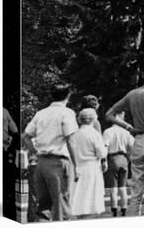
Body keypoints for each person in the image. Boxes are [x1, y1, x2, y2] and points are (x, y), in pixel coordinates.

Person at [105, 62, 144, 216]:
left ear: (142, 75)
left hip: (138, 140)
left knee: (136, 191)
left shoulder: (132, 94)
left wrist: (129, 127)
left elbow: (109, 115)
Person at [22, 84, 79, 221]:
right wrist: (76, 165)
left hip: (41, 163)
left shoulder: (40, 113)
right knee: (61, 205)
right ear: (68, 95)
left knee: (43, 208)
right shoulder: (67, 113)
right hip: (58, 163)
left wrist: (35, 152)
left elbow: (25, 136)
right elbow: (70, 140)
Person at [70, 108, 107, 218]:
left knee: (78, 196)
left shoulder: (74, 134)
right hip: (91, 167)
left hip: (76, 167)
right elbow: (101, 153)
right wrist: (106, 147)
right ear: (93, 119)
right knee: (90, 198)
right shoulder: (94, 134)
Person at [103, 111, 135, 217]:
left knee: (113, 187)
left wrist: (103, 161)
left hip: (112, 159)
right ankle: (124, 209)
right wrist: (129, 157)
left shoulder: (108, 132)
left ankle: (114, 210)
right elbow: (132, 146)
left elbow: (105, 147)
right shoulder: (126, 132)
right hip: (124, 159)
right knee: (123, 187)